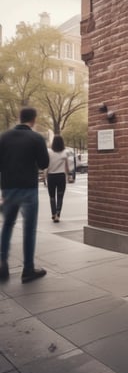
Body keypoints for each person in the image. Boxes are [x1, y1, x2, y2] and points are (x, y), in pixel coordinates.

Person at [0, 107, 49, 283]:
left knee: (7, 225)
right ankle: (28, 269)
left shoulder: (3, 137)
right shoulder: (36, 138)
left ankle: (2, 262)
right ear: (33, 120)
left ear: (19, 118)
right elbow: (44, 163)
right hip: (29, 188)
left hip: (8, 188)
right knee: (29, 229)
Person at [46, 135, 69, 223]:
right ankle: (57, 215)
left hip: (51, 176)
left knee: (52, 197)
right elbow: (66, 166)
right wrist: (69, 175)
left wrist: (45, 176)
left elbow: (47, 165)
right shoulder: (65, 152)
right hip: (61, 176)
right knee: (60, 196)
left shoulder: (49, 152)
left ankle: (53, 213)